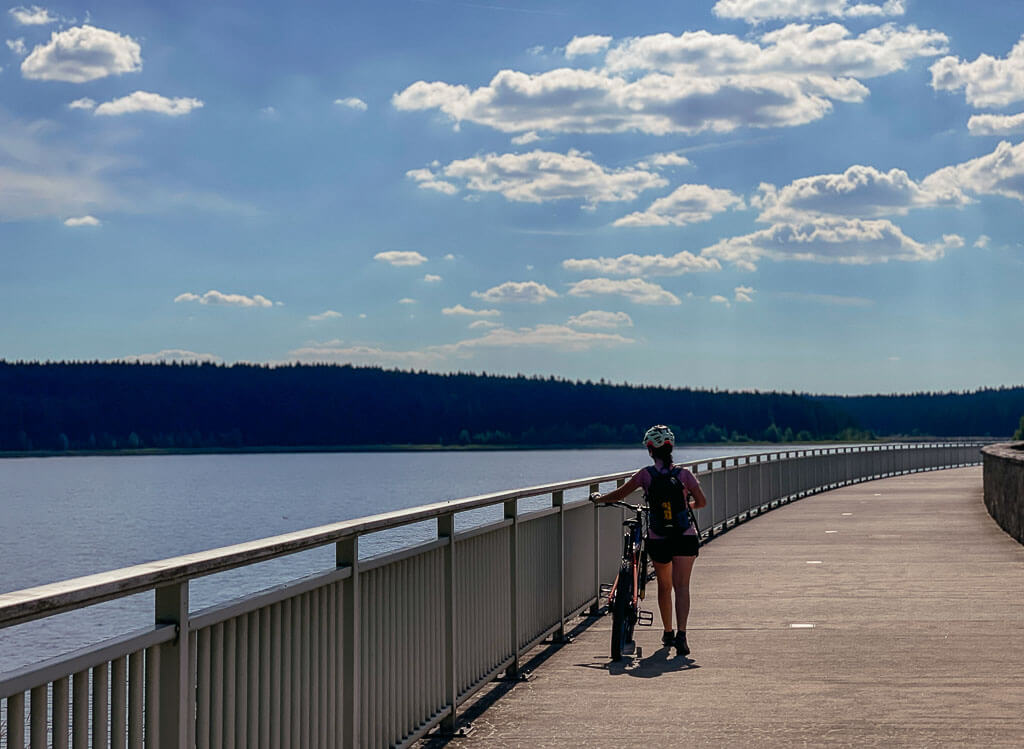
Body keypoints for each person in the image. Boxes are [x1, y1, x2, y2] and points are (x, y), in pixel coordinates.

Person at [590, 425, 707, 655]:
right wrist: (686, 506)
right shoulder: (684, 475)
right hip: (684, 536)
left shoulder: (645, 475)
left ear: (650, 450)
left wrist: (598, 499)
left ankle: (668, 632)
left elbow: (619, 494)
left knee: (664, 587)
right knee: (681, 587)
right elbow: (702, 502)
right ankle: (682, 636)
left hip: (659, 537)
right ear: (671, 448)